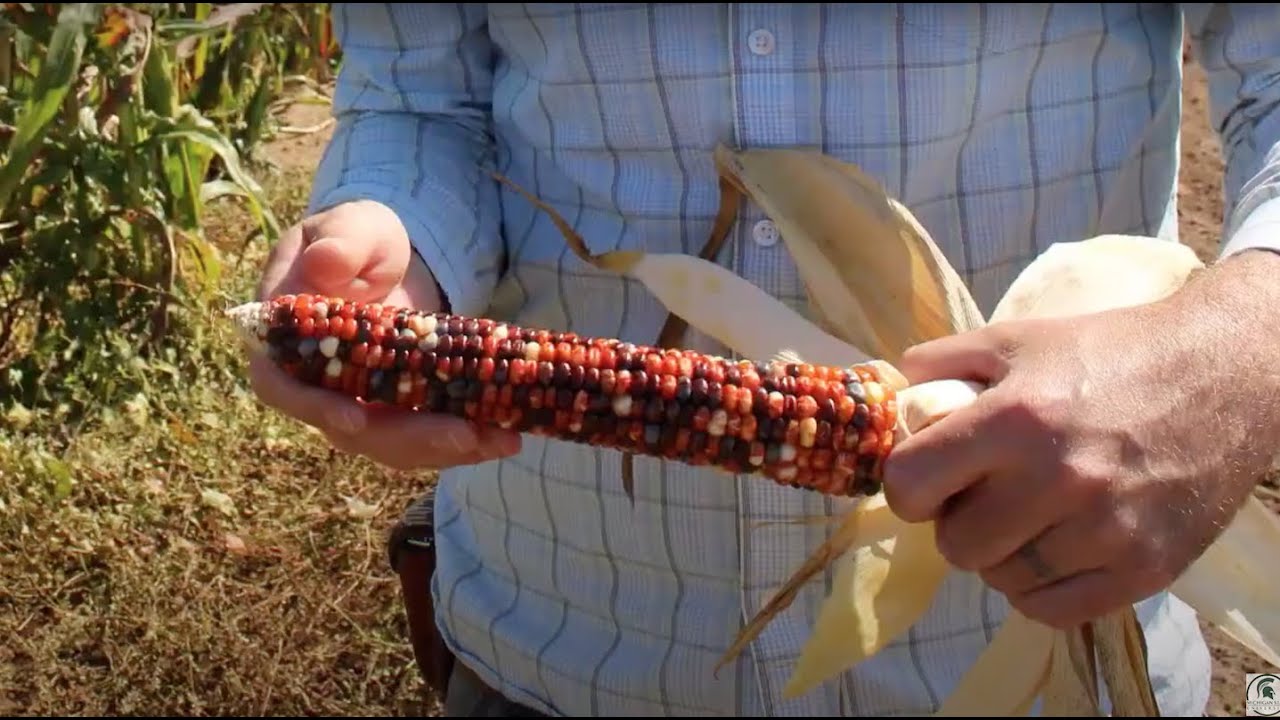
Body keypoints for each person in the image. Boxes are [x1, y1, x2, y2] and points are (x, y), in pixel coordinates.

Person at [248, 3, 1280, 716]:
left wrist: (1233, 353)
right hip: (556, 650)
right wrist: (397, 242)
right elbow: (423, 101)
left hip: (1013, 668)